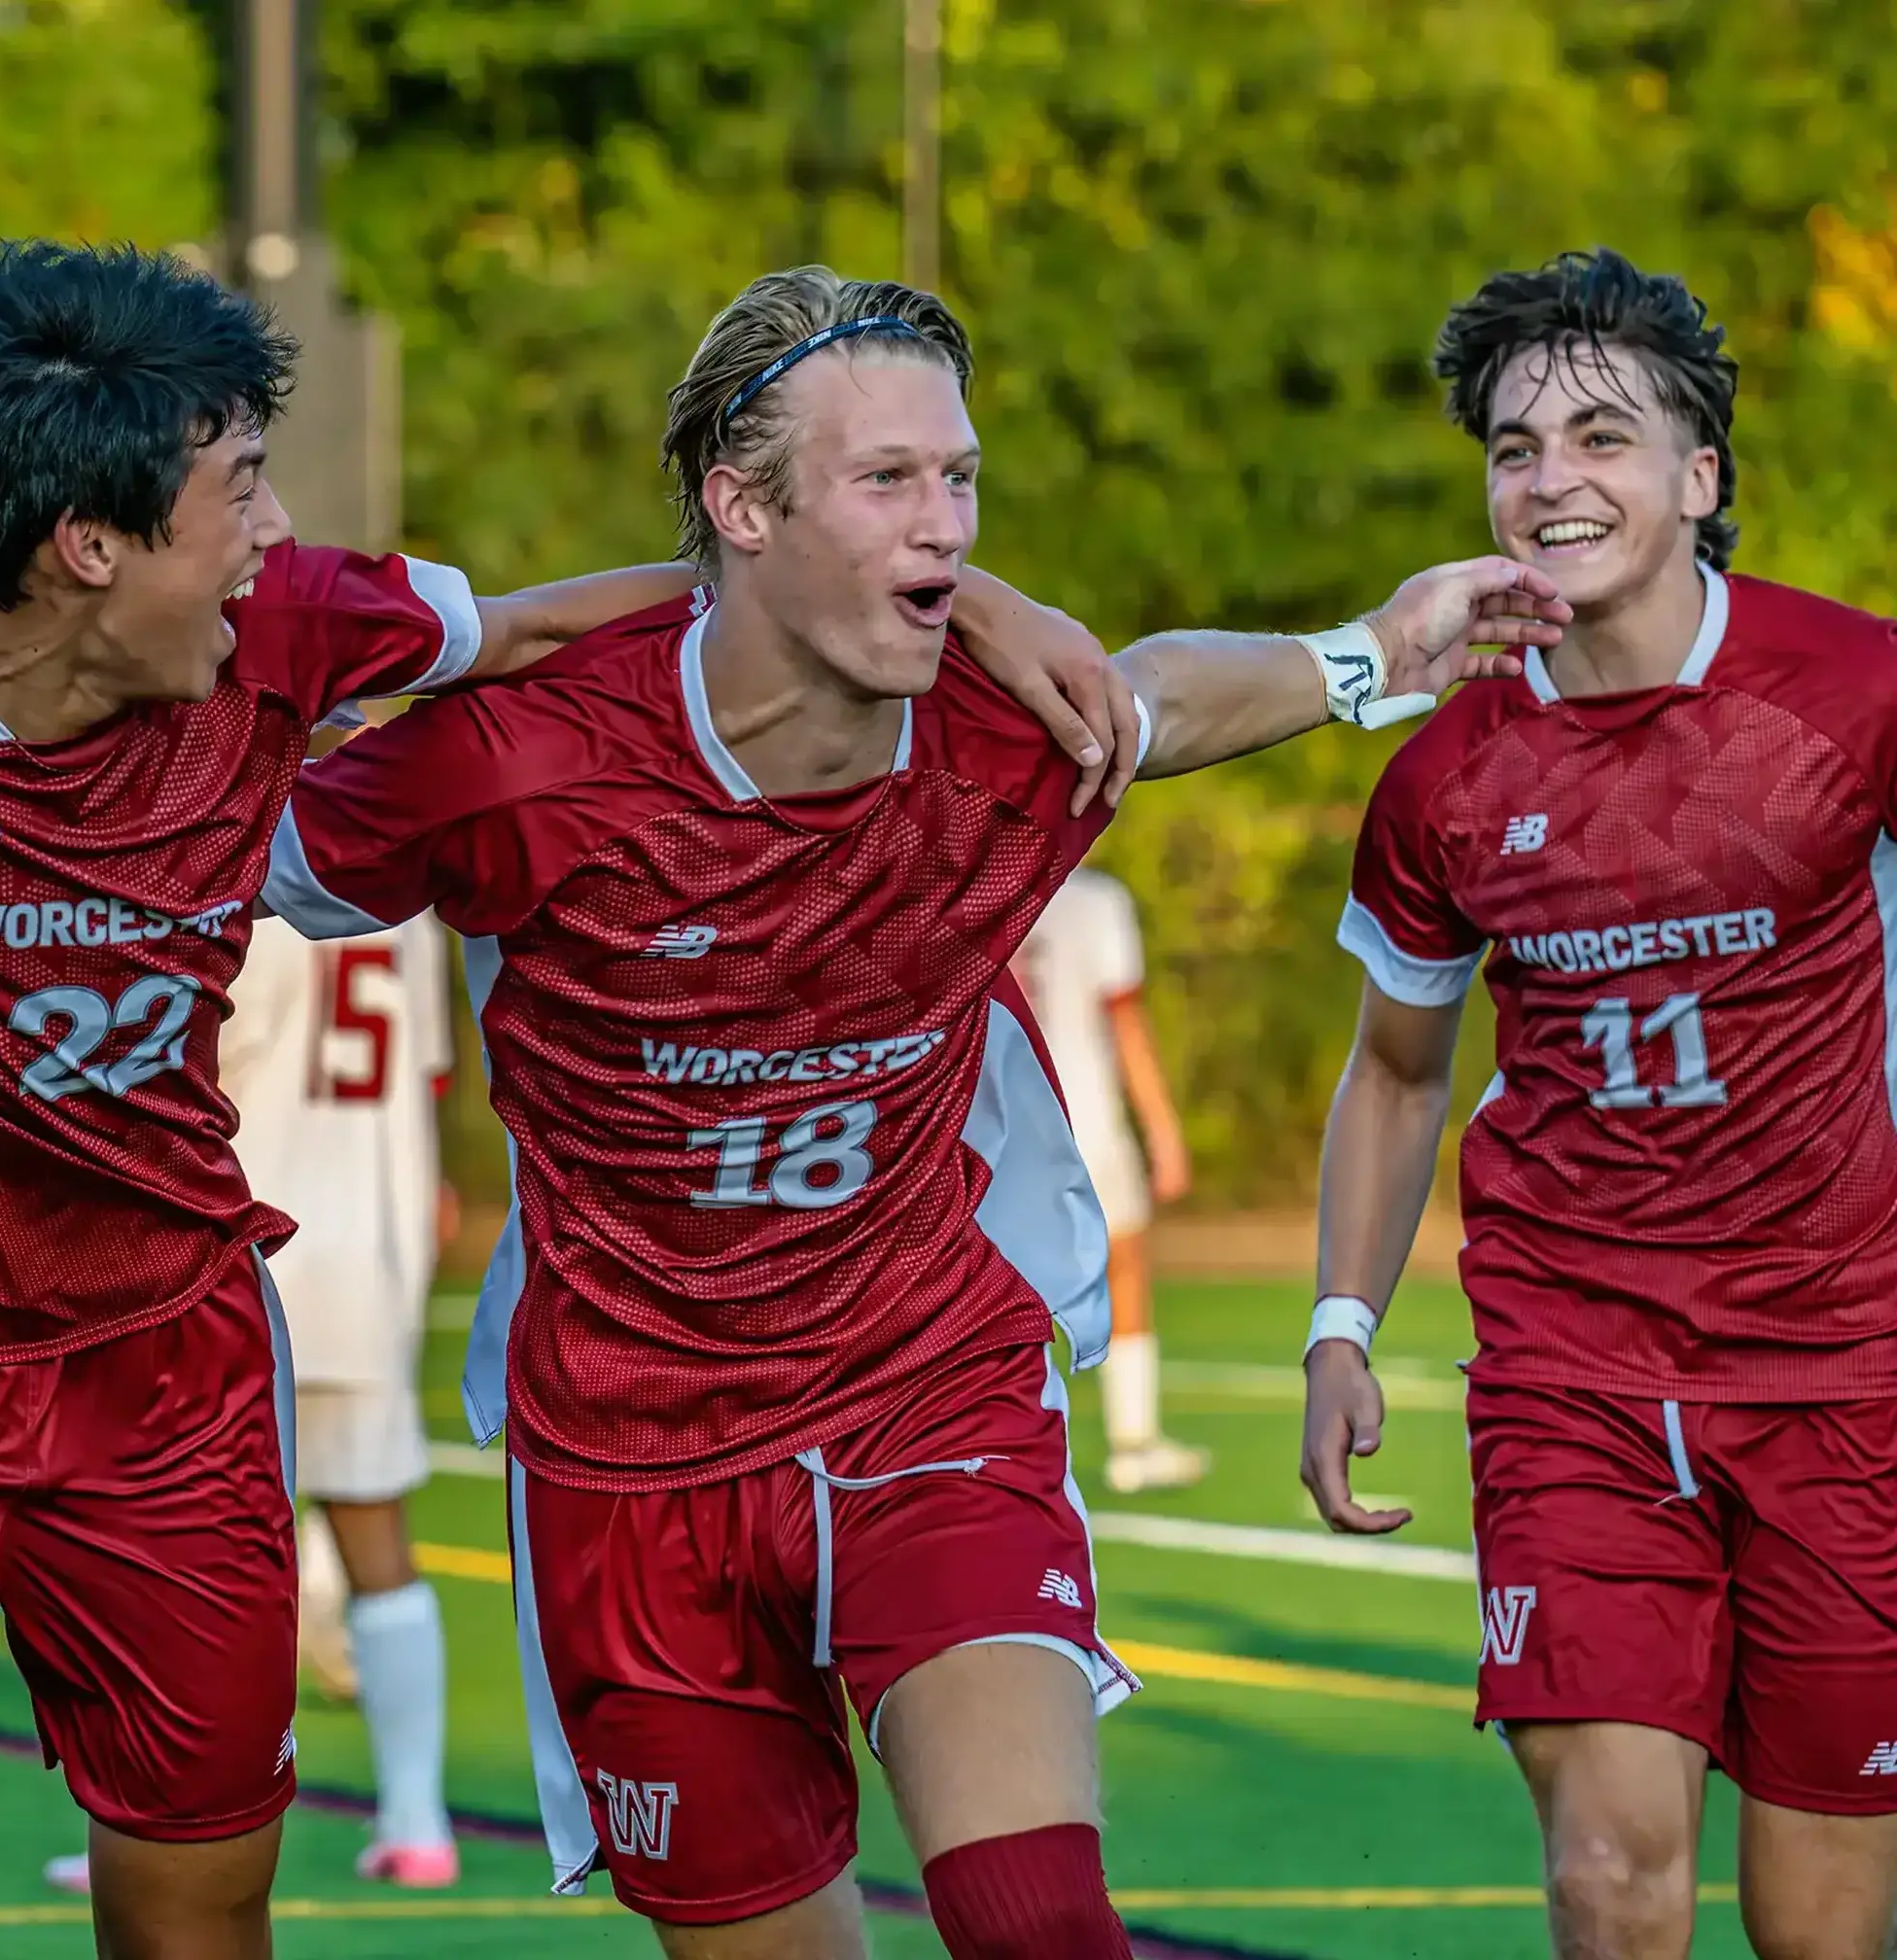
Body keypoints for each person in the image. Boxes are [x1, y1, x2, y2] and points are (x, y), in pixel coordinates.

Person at [0, 240, 1130, 1960]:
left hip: (173, 1384)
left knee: (191, 1920)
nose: (273, 530)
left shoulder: (290, 626)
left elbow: (602, 616)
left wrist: (979, 600)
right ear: (91, 544)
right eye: (238, 491)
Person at [251, 266, 1563, 1958]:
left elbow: (1163, 697)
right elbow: (207, 846)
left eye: (961, 481)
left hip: (921, 1395)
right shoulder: (514, 763)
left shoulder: (1010, 721)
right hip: (629, 1464)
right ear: (741, 505)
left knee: (1035, 1919)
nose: (945, 527)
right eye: (888, 482)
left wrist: (1377, 650)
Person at [1306, 247, 1897, 1960]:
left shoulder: (1856, 696)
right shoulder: (1446, 768)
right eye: (1513, 447)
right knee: (1610, 1873)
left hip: (1847, 1376)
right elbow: (1399, 1069)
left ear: (1698, 478)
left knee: (1824, 1929)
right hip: (1576, 1373)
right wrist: (1342, 1323)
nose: (1550, 477)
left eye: (1599, 435)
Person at [44, 905, 462, 1898]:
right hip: (372, 1239)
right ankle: (418, 1821)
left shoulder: (235, 865)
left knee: (175, 1551)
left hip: (238, 1246)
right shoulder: (401, 892)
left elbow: (175, 1065)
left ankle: (164, 1825)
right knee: (376, 1537)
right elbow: (430, 1074)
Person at [1013, 869, 1199, 1492]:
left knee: (1003, 1286)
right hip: (1083, 1114)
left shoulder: (972, 878)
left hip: (996, 1120)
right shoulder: (1096, 899)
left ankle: (1008, 1444)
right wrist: (1164, 1132)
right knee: (1124, 1266)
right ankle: (1134, 1444)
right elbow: (1126, 1023)